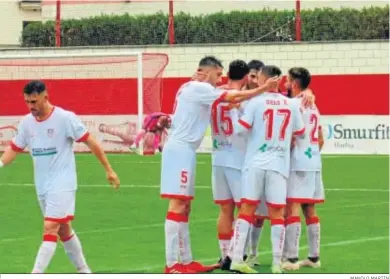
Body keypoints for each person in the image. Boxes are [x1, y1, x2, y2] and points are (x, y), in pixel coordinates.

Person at [160, 56, 280, 274]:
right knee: (178, 205)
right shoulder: (200, 88)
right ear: (206, 72)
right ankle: (172, 264)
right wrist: (262, 89)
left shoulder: (191, 86)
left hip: (202, 154)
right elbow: (233, 96)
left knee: (187, 206)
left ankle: (186, 261)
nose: (219, 78)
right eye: (217, 74)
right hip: (188, 151)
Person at [0, 80, 120, 274]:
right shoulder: (26, 123)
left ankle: (35, 274)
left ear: (45, 97)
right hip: (42, 185)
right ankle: (84, 271)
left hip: (63, 183)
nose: (31, 106)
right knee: (63, 230)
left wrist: (109, 169)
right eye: (27, 102)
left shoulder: (65, 118)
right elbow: (14, 148)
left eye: (34, 102)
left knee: (50, 227)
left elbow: (91, 141)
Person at [228, 65, 305, 274]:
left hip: (254, 162)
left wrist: (236, 113)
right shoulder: (291, 104)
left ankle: (236, 259)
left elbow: (240, 130)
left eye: (259, 77)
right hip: (278, 164)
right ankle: (276, 263)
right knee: (277, 213)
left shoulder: (255, 102)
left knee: (247, 209)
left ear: (265, 79)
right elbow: (299, 132)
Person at [282, 67, 325, 271]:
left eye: (287, 81)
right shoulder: (313, 106)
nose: (284, 84)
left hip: (298, 162)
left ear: (295, 84)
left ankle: (291, 259)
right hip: (314, 161)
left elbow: (290, 137)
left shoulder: (292, 104)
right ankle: (314, 257)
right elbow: (321, 138)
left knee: (293, 206)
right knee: (310, 208)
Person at [210, 60, 249, 269]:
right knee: (244, 208)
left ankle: (224, 254)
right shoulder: (244, 99)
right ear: (245, 77)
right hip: (237, 158)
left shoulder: (215, 95)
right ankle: (234, 255)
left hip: (217, 157)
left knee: (225, 210)